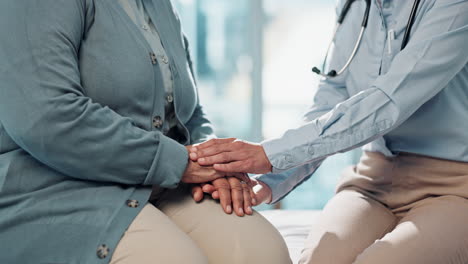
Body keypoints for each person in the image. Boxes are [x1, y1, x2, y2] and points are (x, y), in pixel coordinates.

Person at [0, 1, 291, 263]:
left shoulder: (159, 6)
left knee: (262, 253)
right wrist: (182, 163)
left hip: (161, 182)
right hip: (55, 186)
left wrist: (213, 163)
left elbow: (188, 112)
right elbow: (47, 118)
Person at [190, 0, 468, 263]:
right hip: (374, 179)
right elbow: (330, 100)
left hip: (454, 186)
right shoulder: (356, 6)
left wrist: (271, 153)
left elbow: (388, 102)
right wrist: (269, 180)